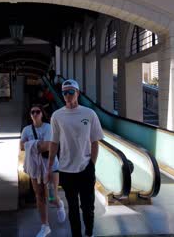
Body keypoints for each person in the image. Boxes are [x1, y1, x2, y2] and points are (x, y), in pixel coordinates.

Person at [47, 79, 104, 237]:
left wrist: (91, 164)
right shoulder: (57, 116)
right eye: (65, 92)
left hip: (85, 168)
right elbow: (54, 143)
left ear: (77, 93)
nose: (67, 95)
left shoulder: (89, 114)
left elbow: (95, 141)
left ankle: (89, 232)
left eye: (71, 92)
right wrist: (50, 167)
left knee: (88, 207)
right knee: (72, 207)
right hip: (66, 170)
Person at [20, 104, 66, 237]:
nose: (34, 114)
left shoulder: (48, 127)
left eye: (37, 112)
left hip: (51, 166)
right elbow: (22, 146)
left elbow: (48, 146)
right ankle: (45, 226)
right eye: (32, 112)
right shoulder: (26, 130)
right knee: (39, 196)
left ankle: (59, 204)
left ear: (42, 113)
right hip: (35, 168)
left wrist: (31, 144)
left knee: (51, 197)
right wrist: (37, 144)